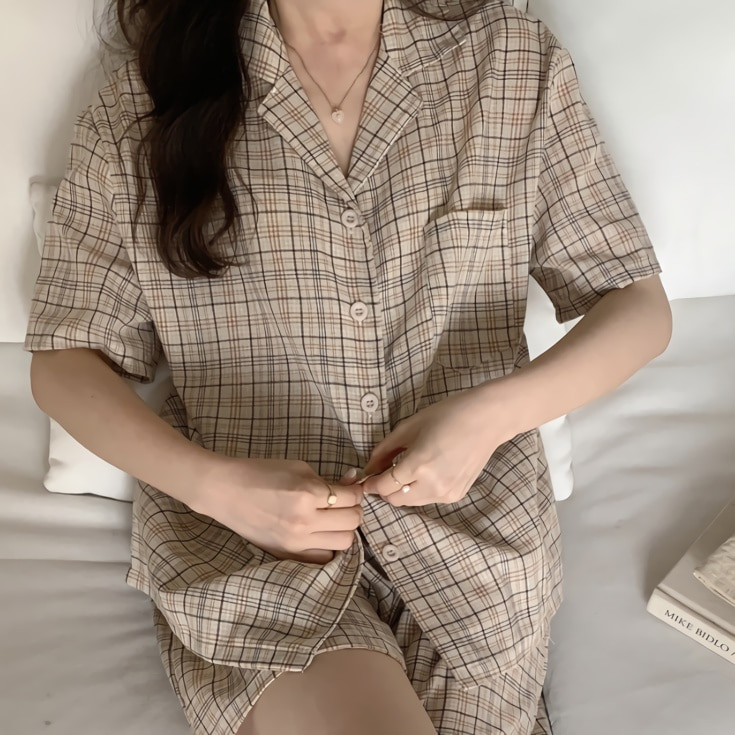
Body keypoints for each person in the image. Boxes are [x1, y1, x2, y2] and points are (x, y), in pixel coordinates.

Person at [25, 0, 672, 733]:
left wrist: (485, 420)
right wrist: (215, 488)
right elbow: (65, 361)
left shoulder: (511, 60)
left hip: (478, 546)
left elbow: (636, 306)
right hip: (258, 557)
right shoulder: (144, 103)